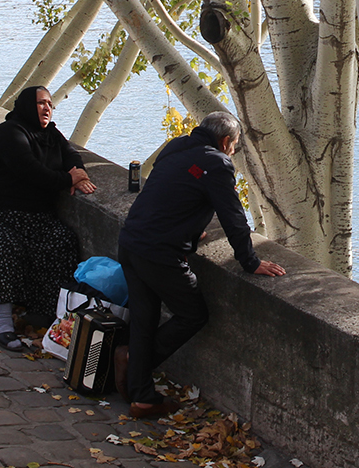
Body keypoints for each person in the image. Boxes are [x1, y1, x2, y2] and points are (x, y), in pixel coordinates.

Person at [117, 110, 285, 418]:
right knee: (192, 314)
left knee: (144, 318)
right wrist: (250, 261)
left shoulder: (175, 146)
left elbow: (171, 193)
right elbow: (233, 217)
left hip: (131, 241)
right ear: (225, 142)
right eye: (234, 146)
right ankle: (133, 367)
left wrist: (190, 227)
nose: (233, 151)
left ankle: (141, 395)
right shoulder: (217, 163)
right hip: (159, 253)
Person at [0, 85, 96, 349]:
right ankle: (1, 322)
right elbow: (32, 172)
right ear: (26, 106)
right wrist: (68, 178)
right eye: (40, 103)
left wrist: (79, 172)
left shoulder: (51, 134)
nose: (46, 108)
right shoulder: (9, 133)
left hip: (32, 216)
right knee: (5, 246)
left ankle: (45, 310)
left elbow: (71, 155)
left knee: (61, 240)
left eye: (49, 104)